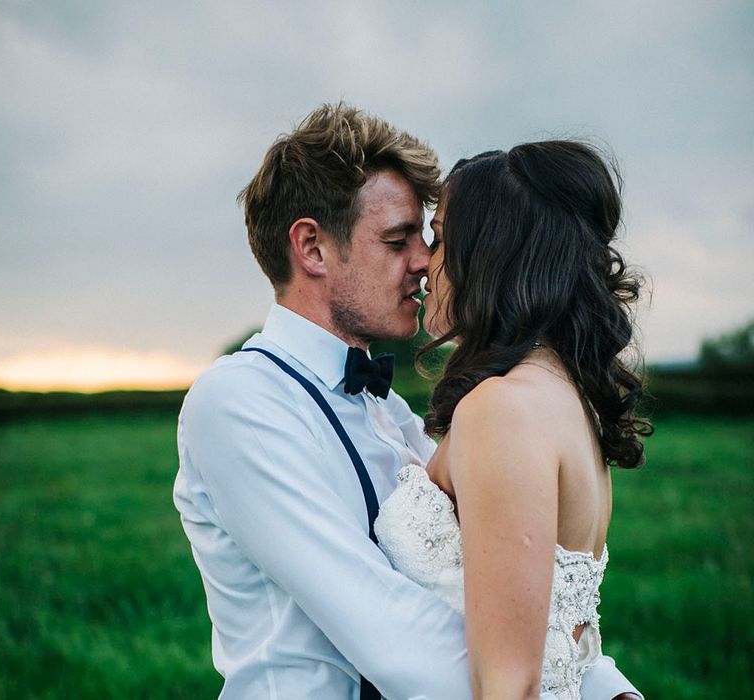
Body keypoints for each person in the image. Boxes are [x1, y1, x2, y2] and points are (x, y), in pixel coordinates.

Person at [173, 103, 643, 699]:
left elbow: (515, 594)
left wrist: (614, 692)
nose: (424, 261)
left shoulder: (393, 413)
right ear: (312, 248)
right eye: (399, 240)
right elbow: (392, 630)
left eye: (427, 238)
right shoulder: (238, 402)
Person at [375, 143, 652, 699]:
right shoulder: (566, 399)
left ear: (493, 251)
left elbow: (512, 685)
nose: (429, 261)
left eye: (443, 237)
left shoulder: (501, 410)